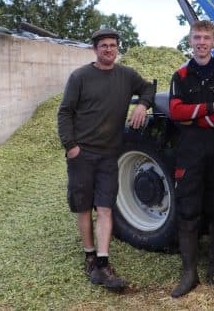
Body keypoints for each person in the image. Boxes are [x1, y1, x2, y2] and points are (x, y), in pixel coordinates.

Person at [57, 28, 154, 291]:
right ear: (95, 49)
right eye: (103, 46)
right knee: (84, 206)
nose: (109, 49)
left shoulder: (126, 75)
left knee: (105, 207)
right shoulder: (80, 77)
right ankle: (89, 256)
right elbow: (65, 112)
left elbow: (148, 87)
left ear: (117, 48)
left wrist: (143, 105)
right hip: (82, 153)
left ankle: (103, 261)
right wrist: (71, 146)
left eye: (112, 45)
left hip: (110, 154)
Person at [168, 20, 214, 297]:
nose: (201, 42)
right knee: (188, 211)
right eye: (196, 37)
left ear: (213, 41)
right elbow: (176, 111)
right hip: (190, 154)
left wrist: (196, 118)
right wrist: (210, 109)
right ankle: (189, 274)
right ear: (190, 40)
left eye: (206, 37)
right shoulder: (181, 75)